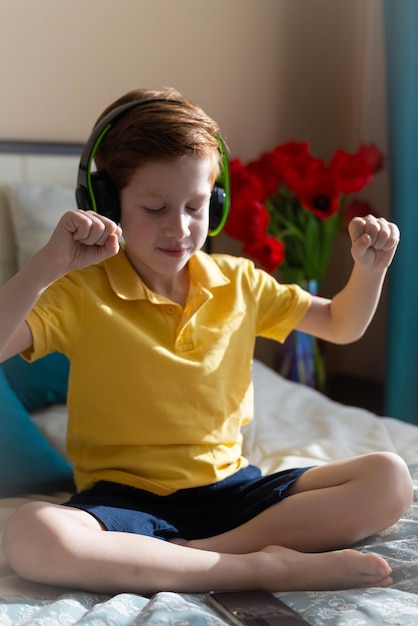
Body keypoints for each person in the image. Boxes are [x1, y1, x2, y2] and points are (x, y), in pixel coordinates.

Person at [0, 87, 413, 595]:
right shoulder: (80, 291)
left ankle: (194, 559)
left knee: (390, 477)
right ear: (107, 203)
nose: (179, 228)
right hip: (125, 499)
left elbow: (340, 326)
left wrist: (369, 273)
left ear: (216, 202)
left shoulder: (241, 279)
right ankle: (261, 567)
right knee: (31, 535)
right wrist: (47, 265)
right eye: (155, 208)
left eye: (196, 206)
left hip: (232, 491)